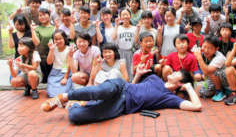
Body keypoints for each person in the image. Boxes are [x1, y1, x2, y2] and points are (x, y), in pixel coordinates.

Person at [41, 67, 202, 125]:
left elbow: (197, 106)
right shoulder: (154, 77)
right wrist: (137, 75)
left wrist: (189, 88)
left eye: (176, 74)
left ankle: (77, 105)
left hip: (121, 106)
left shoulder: (170, 98)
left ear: (180, 83)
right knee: (99, 91)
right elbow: (134, 85)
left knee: (76, 116)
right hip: (120, 87)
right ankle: (63, 97)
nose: (172, 72)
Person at [31, 8, 55, 83]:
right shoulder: (37, 29)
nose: (42, 17)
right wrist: (32, 30)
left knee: (52, 76)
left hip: (53, 55)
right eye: (40, 15)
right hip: (42, 57)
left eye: (44, 15)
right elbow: (36, 43)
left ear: (49, 15)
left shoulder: (54, 28)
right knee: (44, 78)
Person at [112, 9, 137, 80]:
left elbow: (135, 42)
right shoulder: (118, 27)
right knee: (121, 71)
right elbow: (113, 37)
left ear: (130, 16)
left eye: (127, 14)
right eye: (123, 15)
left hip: (131, 52)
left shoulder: (134, 28)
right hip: (120, 52)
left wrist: (138, 30)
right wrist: (116, 25)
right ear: (120, 17)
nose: (125, 16)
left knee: (131, 70)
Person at [46, 30, 73, 97]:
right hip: (54, 73)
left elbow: (68, 64)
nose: (58, 41)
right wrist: (51, 50)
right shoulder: (53, 49)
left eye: (60, 39)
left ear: (64, 39)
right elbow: (49, 62)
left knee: (64, 91)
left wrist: (65, 78)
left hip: (66, 72)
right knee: (50, 92)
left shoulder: (69, 49)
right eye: (56, 39)